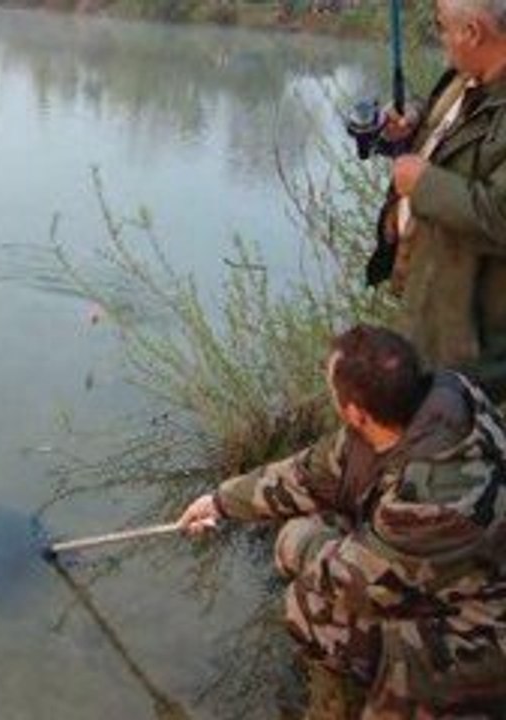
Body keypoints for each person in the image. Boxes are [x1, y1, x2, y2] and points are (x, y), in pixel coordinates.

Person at [177, 325, 506, 717]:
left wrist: (291, 540)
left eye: (332, 385)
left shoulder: (429, 501)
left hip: (484, 628)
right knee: (319, 564)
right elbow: (309, 473)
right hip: (454, 570)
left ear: (355, 413)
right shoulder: (439, 400)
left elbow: (354, 583)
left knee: (313, 606)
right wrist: (220, 502)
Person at [374, 0, 506, 401]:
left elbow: (500, 216)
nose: (441, 38)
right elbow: (449, 136)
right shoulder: (465, 78)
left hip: (474, 345)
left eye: (443, 27)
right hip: (428, 307)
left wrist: (423, 183)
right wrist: (411, 124)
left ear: (473, 32)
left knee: (448, 428)